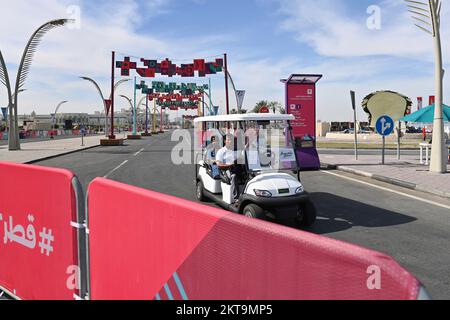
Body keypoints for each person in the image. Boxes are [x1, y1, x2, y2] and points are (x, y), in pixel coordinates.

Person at [216, 134, 240, 203]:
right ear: (224, 141)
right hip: (225, 171)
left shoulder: (235, 151)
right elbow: (219, 165)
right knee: (234, 176)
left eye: (231, 140)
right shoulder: (221, 151)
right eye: (228, 140)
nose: (230, 141)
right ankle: (236, 198)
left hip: (236, 169)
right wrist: (229, 165)